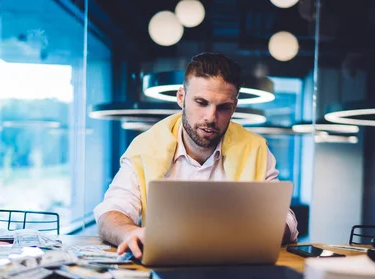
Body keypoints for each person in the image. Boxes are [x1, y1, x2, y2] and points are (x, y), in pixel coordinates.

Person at [94, 53, 299, 259]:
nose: (211, 117)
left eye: (223, 107)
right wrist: (130, 232)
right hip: (163, 265)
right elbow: (110, 212)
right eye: (201, 102)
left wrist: (261, 233)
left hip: (236, 267)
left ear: (234, 107)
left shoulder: (256, 149)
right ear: (181, 97)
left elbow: (287, 220)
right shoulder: (145, 147)